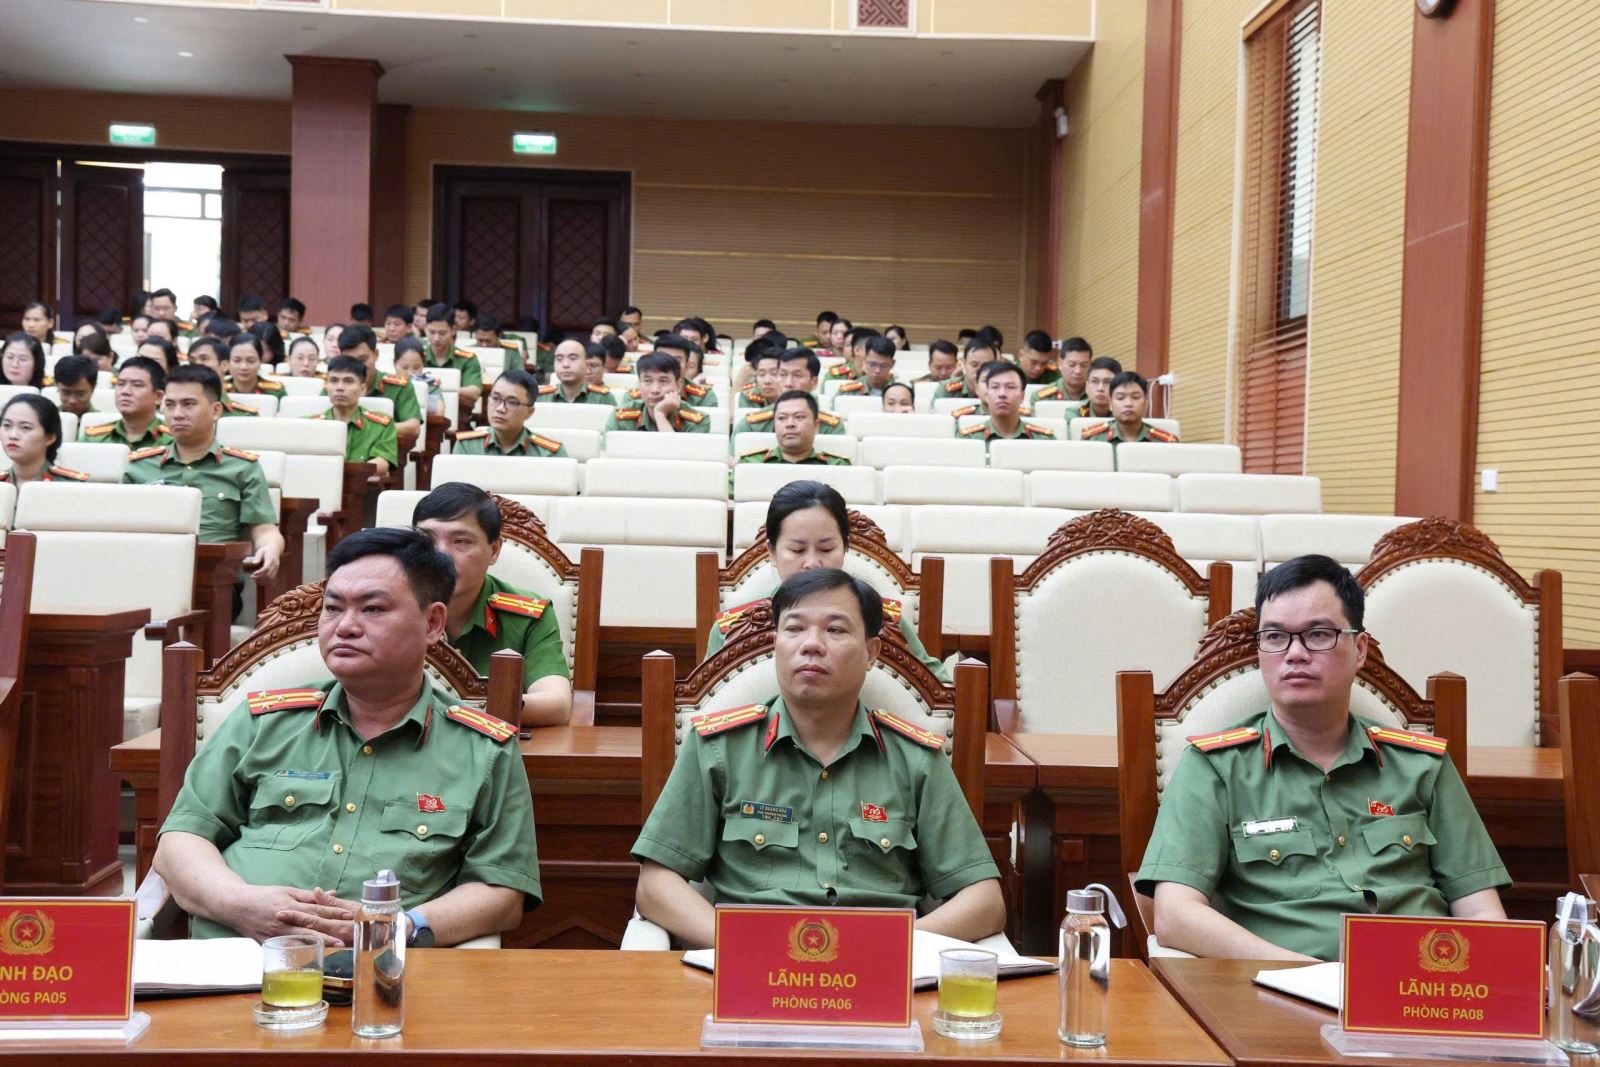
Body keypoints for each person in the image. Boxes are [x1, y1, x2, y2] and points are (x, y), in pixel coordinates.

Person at [152, 526, 540, 945]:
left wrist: (397, 928)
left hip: (380, 968)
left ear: (432, 623)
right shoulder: (263, 722)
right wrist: (239, 904)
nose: (346, 627)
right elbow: (179, 842)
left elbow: (502, 891)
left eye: (372, 609)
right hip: (234, 960)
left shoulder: (484, 749)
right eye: (333, 608)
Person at [1136, 555, 1510, 962]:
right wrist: (1308, 975)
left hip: (1421, 984)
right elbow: (1174, 915)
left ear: (1359, 649)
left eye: (1318, 635)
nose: (1295, 653)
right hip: (1283, 989)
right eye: (1275, 636)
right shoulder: (1216, 768)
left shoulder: (1422, 766)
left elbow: (1481, 910)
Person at [637, 566, 1000, 948]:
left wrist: (891, 945)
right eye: (794, 629)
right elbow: (655, 884)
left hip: (881, 967)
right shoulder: (718, 748)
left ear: (871, 653)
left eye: (835, 630)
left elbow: (985, 901)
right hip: (753, 965)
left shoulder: (915, 758)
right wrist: (739, 945)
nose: (811, 644)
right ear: (775, 643)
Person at [703, 481, 949, 681]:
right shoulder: (734, 628)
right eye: (797, 550)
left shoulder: (885, 620)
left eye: (826, 549)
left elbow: (937, 692)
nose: (812, 563)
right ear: (772, 552)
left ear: (845, 548)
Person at [413, 483, 573, 727]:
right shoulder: (387, 607)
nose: (441, 555)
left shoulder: (527, 616)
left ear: (494, 550)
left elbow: (557, 705)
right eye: (427, 540)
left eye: (461, 541)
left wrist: (456, 708)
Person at [122, 364, 283, 581]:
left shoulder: (242, 468)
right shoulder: (140, 467)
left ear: (215, 411)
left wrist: (270, 548)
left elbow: (264, 528)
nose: (177, 414)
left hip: (215, 581)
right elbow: (120, 529)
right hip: (148, 574)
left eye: (188, 404)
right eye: (170, 405)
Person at [733, 349, 846, 437]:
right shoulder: (750, 425)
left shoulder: (831, 428)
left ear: (814, 382)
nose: (788, 383)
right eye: (782, 374)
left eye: (797, 375)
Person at [455, 370, 569, 457]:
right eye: (495, 398)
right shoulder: (467, 447)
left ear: (529, 412)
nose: (500, 409)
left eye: (512, 402)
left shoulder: (549, 454)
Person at [316, 356, 397, 476]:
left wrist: (343, 473)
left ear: (363, 388)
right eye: (334, 380)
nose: (340, 387)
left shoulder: (380, 425)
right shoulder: (311, 425)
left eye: (348, 381)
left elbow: (383, 462)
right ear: (326, 386)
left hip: (361, 484)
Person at [341, 325, 422, 444]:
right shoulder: (335, 387)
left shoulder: (399, 387)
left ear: (376, 354)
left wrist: (368, 429)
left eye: (362, 360)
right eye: (350, 361)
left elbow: (413, 427)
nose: (357, 367)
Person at [737, 392, 852, 468]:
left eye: (799, 417)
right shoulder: (750, 464)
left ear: (816, 425)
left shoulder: (837, 466)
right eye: (782, 418)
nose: (790, 424)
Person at [605, 353, 711, 434]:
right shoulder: (619, 418)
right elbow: (606, 454)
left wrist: (660, 415)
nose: (655, 390)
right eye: (647, 381)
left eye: (663, 381)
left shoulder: (697, 421)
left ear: (678, 386)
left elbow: (677, 455)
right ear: (639, 384)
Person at [79, 355, 170, 448]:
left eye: (137, 385)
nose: (125, 391)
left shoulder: (173, 439)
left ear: (158, 397)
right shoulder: (93, 438)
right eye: (121, 384)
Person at [956, 362, 1055, 443]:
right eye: (995, 387)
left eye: (1010, 387)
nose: (1002, 394)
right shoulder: (968, 439)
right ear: (987, 394)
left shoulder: (1043, 439)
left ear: (1022, 395)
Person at [0, 395, 87, 484]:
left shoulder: (69, 485)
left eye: (25, 427)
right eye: (7, 425)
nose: (13, 435)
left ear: (50, 438)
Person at [1081, 371, 1178, 443]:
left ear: (1146, 404)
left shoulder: (1165, 442)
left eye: (1135, 397)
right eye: (1120, 398)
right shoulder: (1091, 439)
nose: (1128, 403)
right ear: (1110, 404)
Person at [423, 303, 483, 410]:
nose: (436, 338)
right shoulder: (417, 355)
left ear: (453, 330)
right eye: (431, 332)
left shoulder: (467, 359)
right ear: (425, 328)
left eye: (442, 333)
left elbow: (474, 392)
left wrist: (438, 390)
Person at [648, 335, 718, 408]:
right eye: (663, 360)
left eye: (677, 361)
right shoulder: (642, 392)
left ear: (687, 365)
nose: (669, 366)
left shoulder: (704, 397)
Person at [540, 339, 614, 405]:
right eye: (559, 359)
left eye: (573, 358)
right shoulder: (541, 397)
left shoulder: (602, 398)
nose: (565, 364)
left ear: (586, 364)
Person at [1034, 337, 1092, 407]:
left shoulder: (1098, 395)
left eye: (1084, 365)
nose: (1078, 371)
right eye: (1072, 365)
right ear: (1060, 364)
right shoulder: (1040, 398)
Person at [936, 339, 995, 404]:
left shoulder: (1000, 391)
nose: (979, 371)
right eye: (974, 365)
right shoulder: (946, 389)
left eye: (986, 366)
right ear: (964, 364)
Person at [736, 342, 783, 410]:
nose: (767, 381)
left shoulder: (797, 399)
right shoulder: (750, 397)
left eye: (774, 373)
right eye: (761, 374)